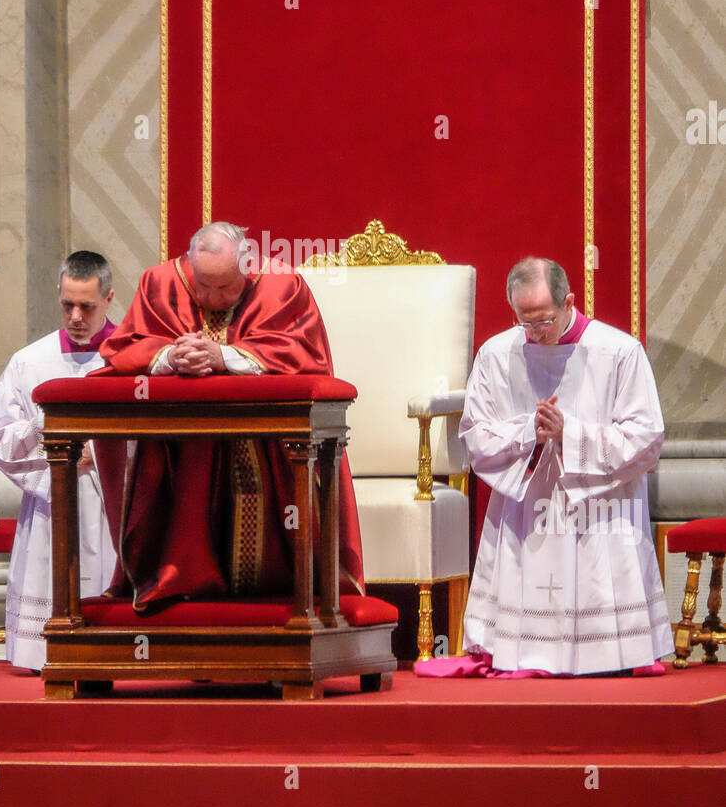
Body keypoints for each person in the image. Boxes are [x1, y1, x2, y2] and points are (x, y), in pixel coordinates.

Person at [419, 256, 672, 678]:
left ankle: (607, 656)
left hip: (600, 510)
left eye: (545, 321)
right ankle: (522, 652)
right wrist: (528, 434)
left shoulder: (619, 352)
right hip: (526, 510)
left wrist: (569, 435)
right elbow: (475, 436)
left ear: (569, 301)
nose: (536, 332)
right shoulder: (496, 355)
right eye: (526, 322)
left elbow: (647, 439)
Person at [94, 222, 364, 609]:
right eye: (203, 285)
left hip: (273, 444)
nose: (211, 298)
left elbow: (306, 353)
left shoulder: (281, 284)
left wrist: (224, 356)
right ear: (190, 265)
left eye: (225, 287)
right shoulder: (161, 282)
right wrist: (168, 356)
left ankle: (290, 597)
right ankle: (183, 585)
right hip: (186, 445)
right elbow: (126, 345)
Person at [0, 251, 118, 670]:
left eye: (88, 306)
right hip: (50, 498)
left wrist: (99, 451)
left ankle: (113, 651)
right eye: (67, 304)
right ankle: (42, 653)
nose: (76, 316)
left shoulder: (130, 359)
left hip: (111, 499)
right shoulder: (29, 361)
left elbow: (159, 435)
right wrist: (51, 444)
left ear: (110, 299)